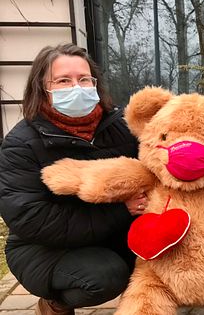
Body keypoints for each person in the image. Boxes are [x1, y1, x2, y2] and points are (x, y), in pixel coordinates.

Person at [0, 44, 147, 315]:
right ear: (42, 88)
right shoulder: (21, 144)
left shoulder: (122, 126)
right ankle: (56, 303)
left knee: (160, 257)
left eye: (84, 79)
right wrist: (121, 210)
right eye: (63, 81)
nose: (76, 87)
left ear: (96, 83)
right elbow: (31, 219)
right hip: (46, 247)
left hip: (111, 233)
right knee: (106, 276)